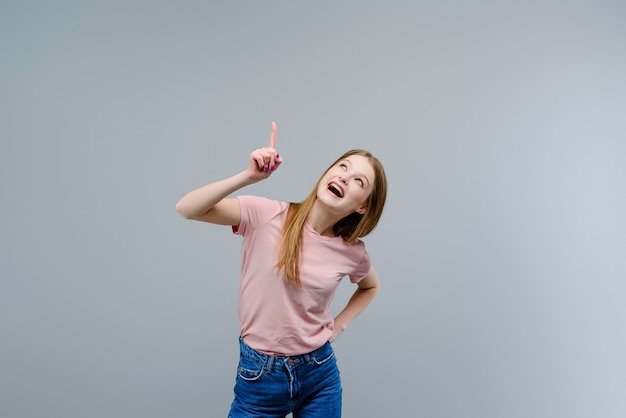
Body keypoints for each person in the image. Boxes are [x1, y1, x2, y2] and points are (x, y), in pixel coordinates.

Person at [175, 122, 387, 417]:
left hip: (319, 376)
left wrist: (339, 325)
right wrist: (248, 177)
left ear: (362, 207)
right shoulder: (266, 214)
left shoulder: (352, 252)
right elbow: (187, 208)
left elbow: (370, 286)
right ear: (328, 173)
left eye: (359, 181)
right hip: (259, 378)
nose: (345, 176)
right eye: (342, 166)